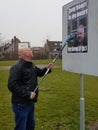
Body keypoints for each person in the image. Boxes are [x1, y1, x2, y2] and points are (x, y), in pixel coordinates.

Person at [8, 47, 54, 130]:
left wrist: (47, 69)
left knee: (30, 126)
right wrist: (27, 94)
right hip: (20, 104)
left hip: (30, 102)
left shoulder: (31, 65)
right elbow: (12, 85)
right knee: (21, 127)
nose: (31, 51)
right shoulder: (17, 67)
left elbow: (39, 73)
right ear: (26, 54)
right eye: (29, 50)